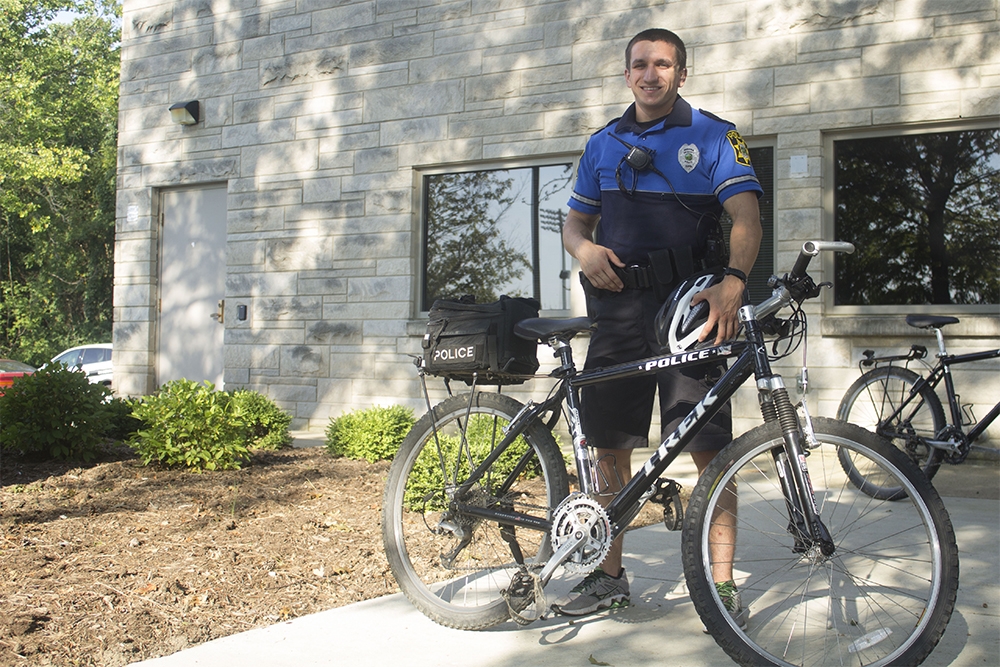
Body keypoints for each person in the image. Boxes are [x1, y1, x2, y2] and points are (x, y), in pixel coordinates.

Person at [551, 28, 763, 624]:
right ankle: (608, 576)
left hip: (690, 309)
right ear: (627, 76)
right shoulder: (603, 143)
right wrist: (584, 251)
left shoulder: (716, 136)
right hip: (616, 310)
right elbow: (574, 225)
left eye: (663, 65)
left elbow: (745, 214)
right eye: (640, 65)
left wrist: (734, 280)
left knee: (709, 447)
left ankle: (721, 587)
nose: (651, 74)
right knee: (607, 447)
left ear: (681, 74)